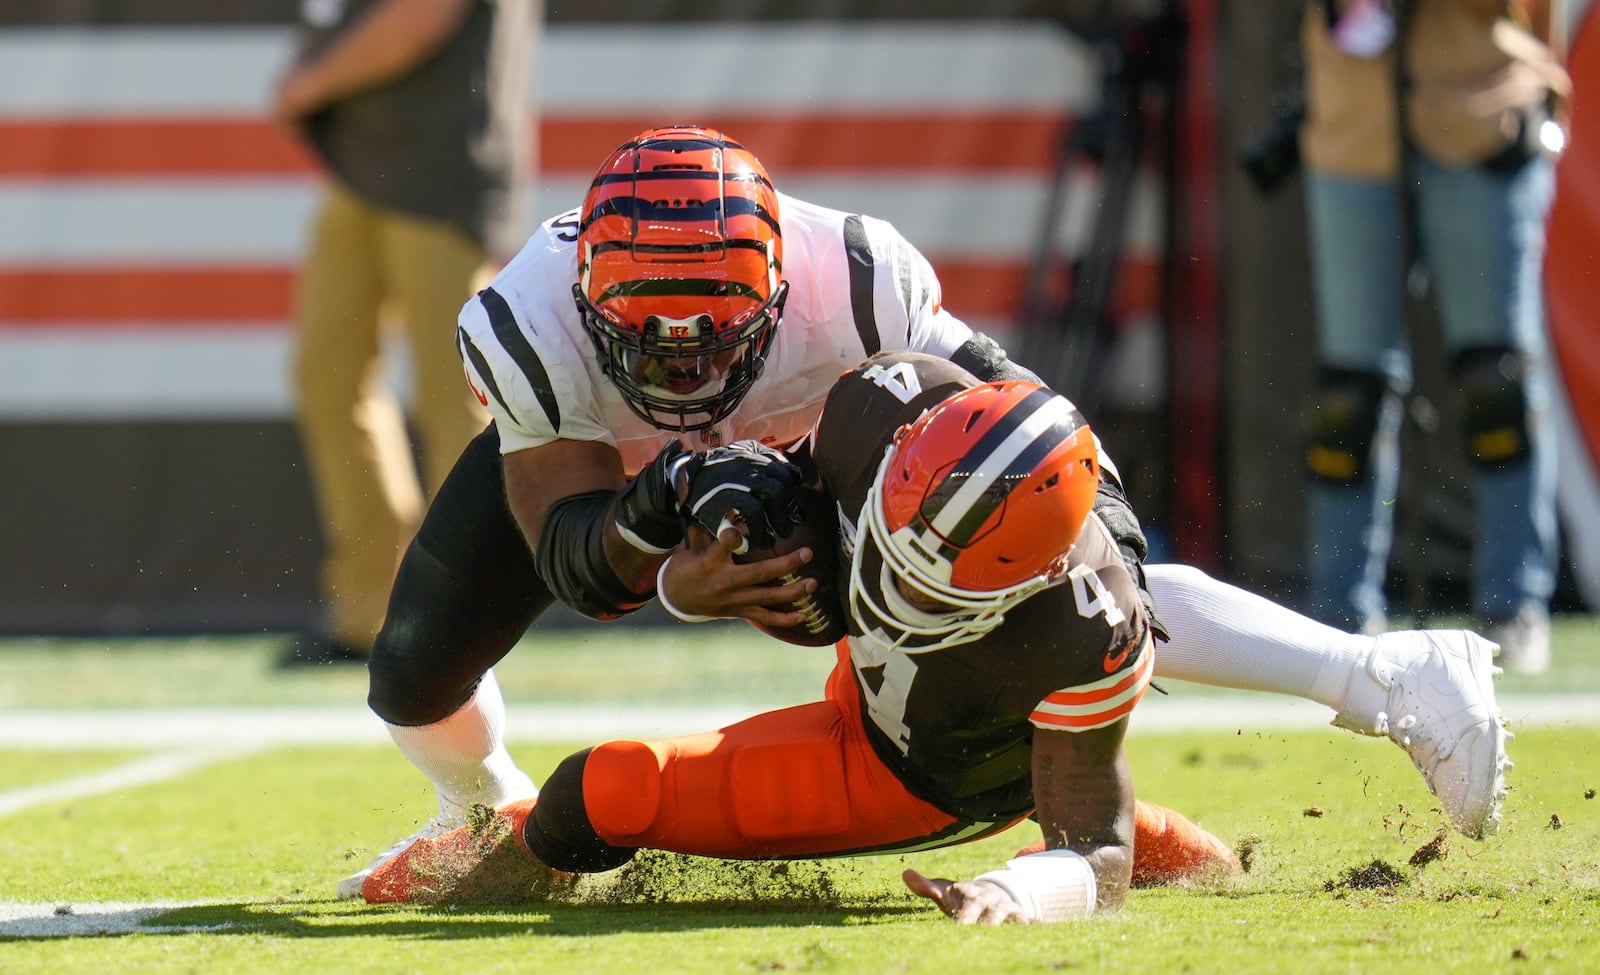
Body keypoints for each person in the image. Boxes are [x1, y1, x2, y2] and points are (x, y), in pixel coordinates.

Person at [338, 126, 1508, 902]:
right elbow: (578, 564)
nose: (686, 373)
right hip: (625, 484)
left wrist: (1094, 551)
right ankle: (481, 804)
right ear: (585, 294)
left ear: (781, 289)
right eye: (648, 338)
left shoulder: (859, 281)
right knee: (409, 670)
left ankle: (1379, 675)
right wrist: (662, 541)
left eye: (716, 338)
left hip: (839, 452)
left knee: (1063, 556)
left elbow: (1031, 427)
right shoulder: (524, 321)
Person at [360, 356, 1237, 917]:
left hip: (924, 770)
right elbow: (783, 506)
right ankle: (501, 862)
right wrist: (700, 561)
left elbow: (1100, 859)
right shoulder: (870, 409)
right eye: (894, 554)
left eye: (931, 584)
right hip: (871, 689)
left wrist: (1027, 887)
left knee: (601, 791)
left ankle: (1120, 814)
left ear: (1032, 576)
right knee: (586, 794)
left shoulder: (1086, 627)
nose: (890, 589)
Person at [1294, 0, 1569, 671]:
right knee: (1348, 395)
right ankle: (1341, 615)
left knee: (1495, 378)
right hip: (1353, 124)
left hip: (1481, 110)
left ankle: (1514, 603)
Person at [271, 0, 537, 665]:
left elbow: (421, 16)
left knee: (459, 397)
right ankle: (374, 612)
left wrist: (310, 81)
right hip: (366, 174)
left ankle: (465, 614)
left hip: (442, 175)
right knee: (329, 378)